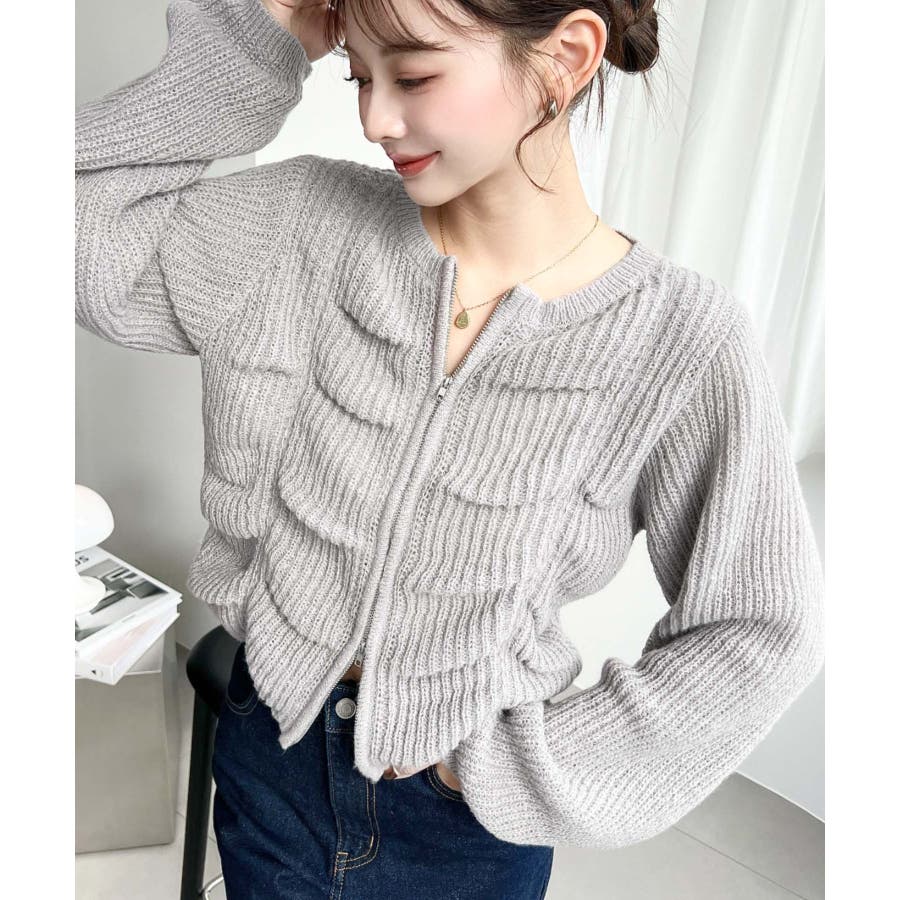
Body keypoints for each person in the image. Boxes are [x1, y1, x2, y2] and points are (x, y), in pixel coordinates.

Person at [74, 0, 825, 897]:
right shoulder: (294, 225)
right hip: (269, 755)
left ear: (566, 56)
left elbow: (764, 624)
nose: (374, 119)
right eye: (358, 76)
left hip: (461, 820)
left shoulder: (679, 340)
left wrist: (507, 770)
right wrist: (253, 44)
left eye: (415, 74)